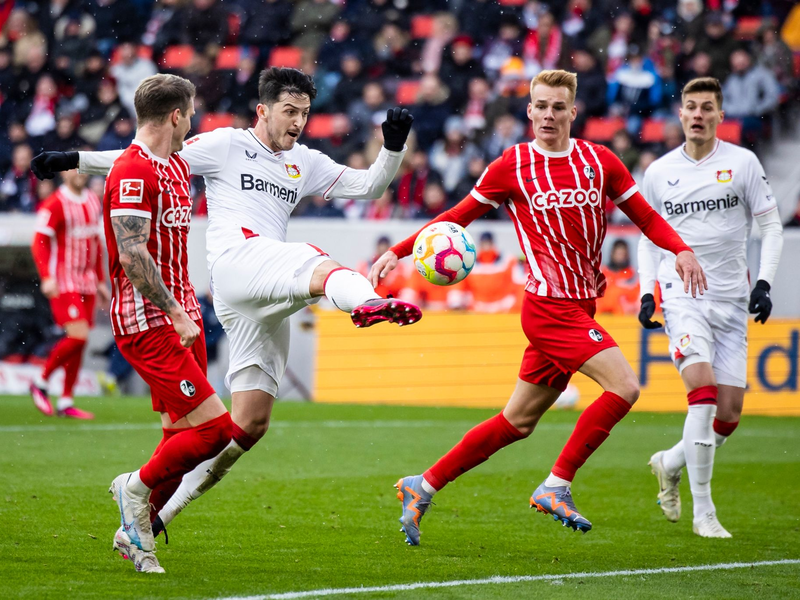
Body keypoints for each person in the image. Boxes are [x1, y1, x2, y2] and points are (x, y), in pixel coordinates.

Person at [31, 67, 419, 542]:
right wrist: (75, 159)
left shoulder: (307, 161)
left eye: (305, 113)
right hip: (237, 265)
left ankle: (153, 519)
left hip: (267, 288)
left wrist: (393, 148)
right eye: (289, 111)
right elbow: (146, 154)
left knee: (248, 426)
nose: (297, 122)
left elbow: (370, 186)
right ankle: (368, 301)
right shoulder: (225, 144)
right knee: (314, 259)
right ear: (263, 110)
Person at [369, 69, 705, 545]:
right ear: (528, 111)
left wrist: (682, 249)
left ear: (573, 111)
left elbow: (647, 217)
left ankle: (422, 484)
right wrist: (397, 251)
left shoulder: (600, 160)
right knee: (625, 387)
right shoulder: (513, 165)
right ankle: (557, 484)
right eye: (540, 106)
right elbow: (457, 214)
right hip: (549, 308)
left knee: (517, 422)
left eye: (557, 107)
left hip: (582, 306)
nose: (548, 115)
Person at [637, 77, 783, 538]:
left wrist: (763, 283)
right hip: (682, 295)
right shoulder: (659, 172)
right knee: (700, 392)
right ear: (679, 115)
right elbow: (647, 238)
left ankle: (669, 461)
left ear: (721, 116)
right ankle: (704, 513)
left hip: (731, 299)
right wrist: (648, 292)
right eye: (690, 107)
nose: (698, 115)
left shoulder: (742, 163)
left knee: (728, 415)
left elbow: (771, 226)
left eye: (707, 108)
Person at [104, 74, 234, 573]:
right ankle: (132, 488)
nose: (194, 120)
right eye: (192, 112)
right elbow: (132, 255)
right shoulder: (133, 173)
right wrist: (176, 311)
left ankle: (135, 534)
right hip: (149, 322)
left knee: (177, 435)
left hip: (183, 318)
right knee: (215, 431)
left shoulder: (177, 165)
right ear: (177, 115)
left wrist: (189, 309)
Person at [29, 168, 109, 418]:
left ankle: (66, 401)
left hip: (87, 283)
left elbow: (96, 242)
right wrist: (46, 277)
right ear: (63, 174)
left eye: (83, 168)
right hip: (64, 281)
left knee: (79, 344)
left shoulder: (92, 200)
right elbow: (39, 241)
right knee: (79, 337)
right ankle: (40, 383)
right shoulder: (54, 204)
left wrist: (100, 280)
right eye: (75, 169)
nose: (81, 173)